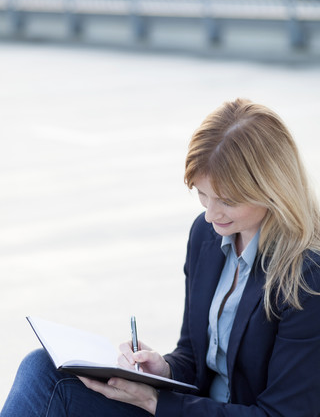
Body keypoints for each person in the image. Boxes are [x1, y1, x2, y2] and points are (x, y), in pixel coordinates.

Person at [2, 98, 320, 417]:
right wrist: (163, 369)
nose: (210, 215)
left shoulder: (307, 273)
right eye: (202, 194)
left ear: (272, 188)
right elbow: (195, 357)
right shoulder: (208, 236)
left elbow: (284, 414)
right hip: (188, 410)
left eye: (226, 201)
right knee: (43, 368)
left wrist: (154, 401)